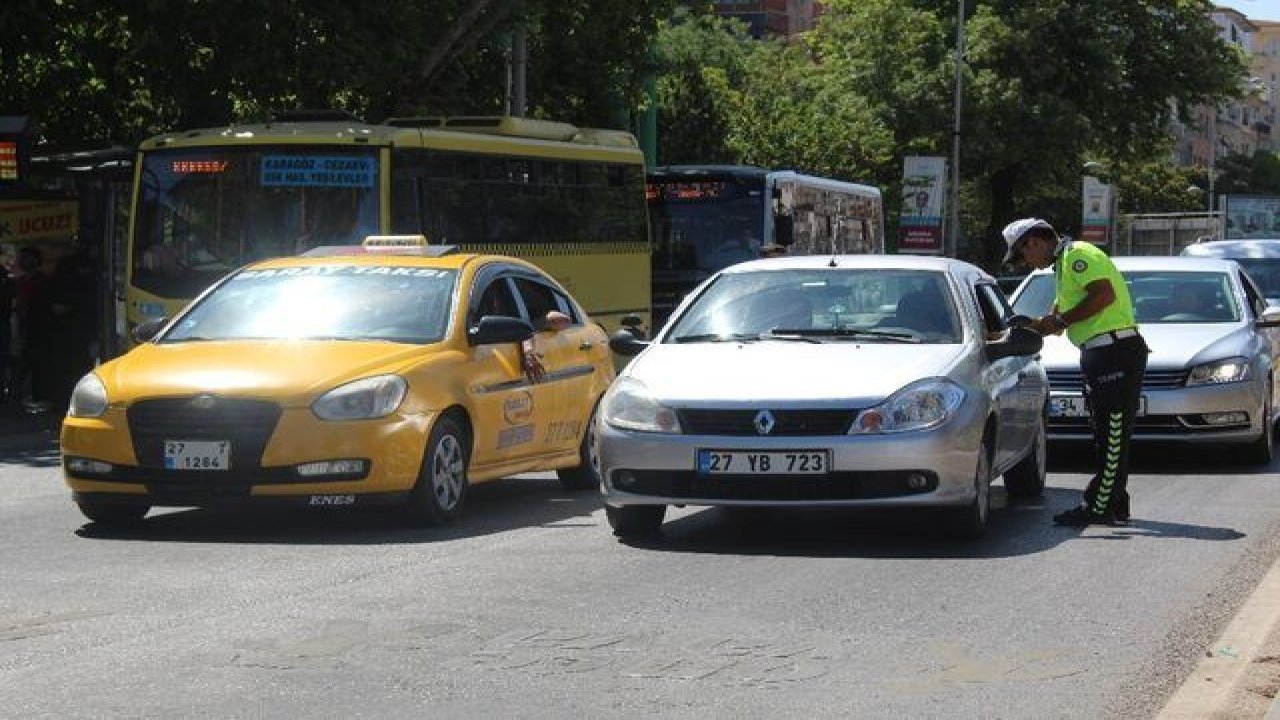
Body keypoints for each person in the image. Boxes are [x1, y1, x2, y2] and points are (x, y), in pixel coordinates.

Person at [1002, 218, 1148, 527]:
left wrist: (1062, 321)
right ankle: (1115, 503)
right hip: (1103, 353)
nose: (1027, 263)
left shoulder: (1077, 255)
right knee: (1106, 432)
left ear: (1034, 242)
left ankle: (1100, 506)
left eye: (1022, 255)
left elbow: (1103, 295)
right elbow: (1059, 318)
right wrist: (1034, 325)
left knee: (1112, 433)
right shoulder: (1064, 265)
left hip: (1114, 353)